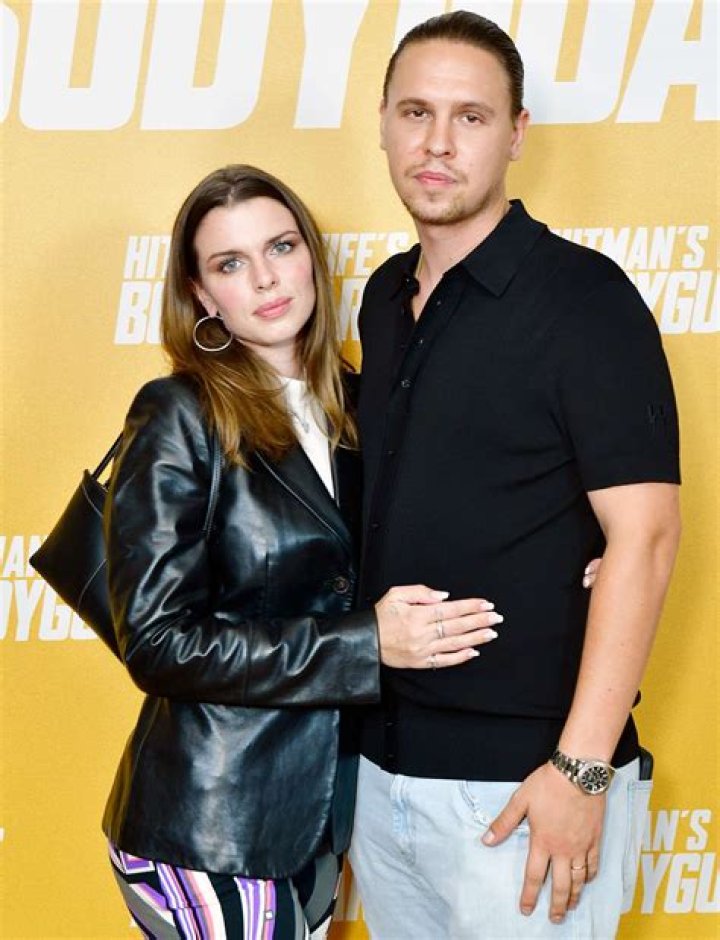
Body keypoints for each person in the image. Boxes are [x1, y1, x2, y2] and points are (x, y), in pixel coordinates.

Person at [349, 12, 681, 939]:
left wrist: (581, 771)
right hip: (381, 777)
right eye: (416, 112)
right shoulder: (383, 296)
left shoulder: (584, 299)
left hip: (527, 787)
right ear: (383, 124)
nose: (438, 143)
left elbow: (647, 539)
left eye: (471, 117)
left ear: (517, 133)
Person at [101, 164, 497, 939]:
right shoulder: (179, 413)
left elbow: (426, 530)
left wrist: (580, 554)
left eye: (281, 247)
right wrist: (366, 643)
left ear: (311, 255)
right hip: (214, 826)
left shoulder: (354, 402)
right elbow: (157, 641)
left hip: (319, 818)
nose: (266, 279)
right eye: (231, 263)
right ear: (202, 295)